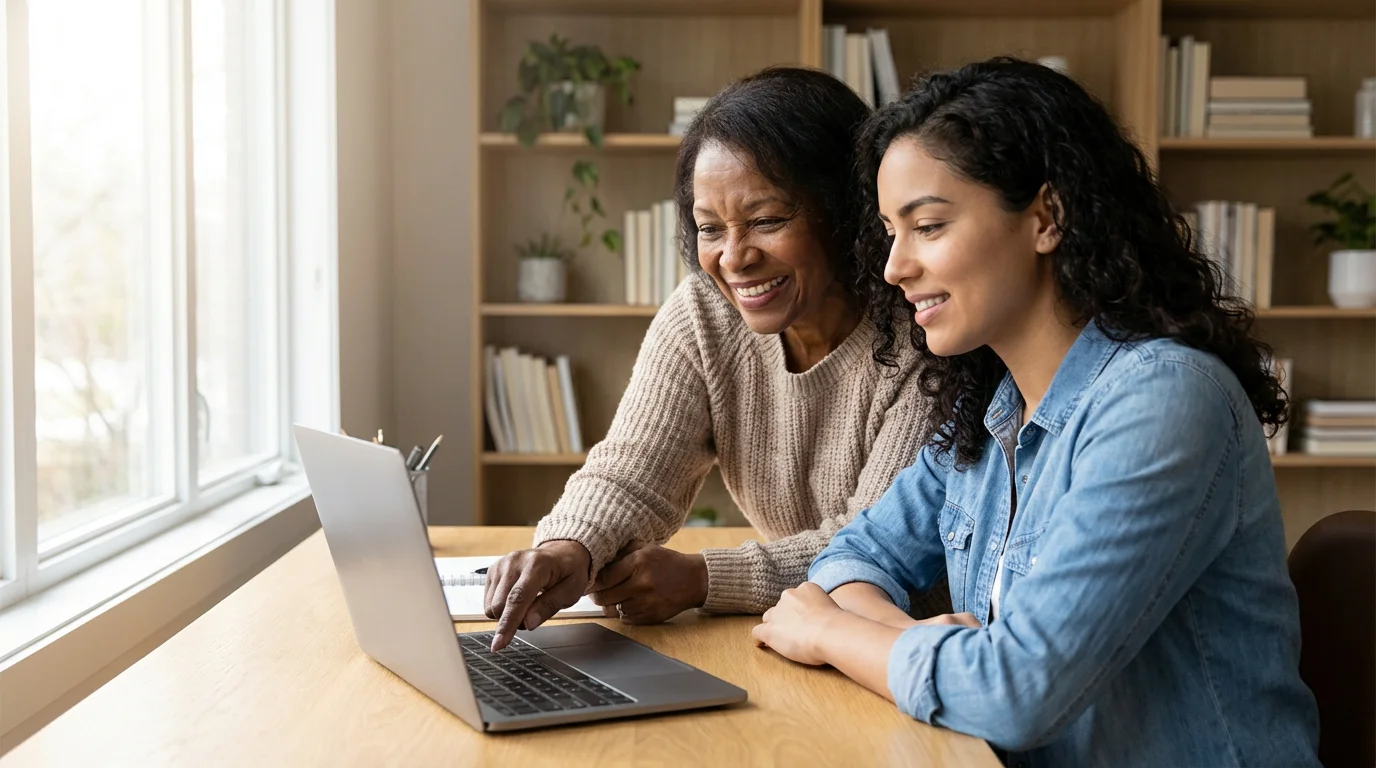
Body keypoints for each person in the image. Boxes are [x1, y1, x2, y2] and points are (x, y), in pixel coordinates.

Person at [751, 58, 1321, 767]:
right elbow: (853, 556)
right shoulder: (991, 414)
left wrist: (836, 635)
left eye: (927, 225)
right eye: (891, 233)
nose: (894, 268)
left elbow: (1016, 694)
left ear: (1046, 218)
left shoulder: (1165, 402)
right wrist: (920, 646)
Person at [483, 67, 941, 652]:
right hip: (795, 641)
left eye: (767, 220)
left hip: (906, 647)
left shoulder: (923, 333)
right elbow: (634, 468)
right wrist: (568, 548)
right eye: (709, 228)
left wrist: (705, 579)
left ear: (846, 210)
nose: (734, 257)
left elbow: (875, 547)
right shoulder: (704, 314)